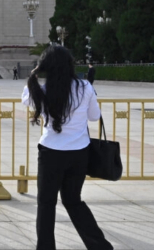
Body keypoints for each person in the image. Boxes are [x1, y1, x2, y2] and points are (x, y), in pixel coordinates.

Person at [22, 45, 113, 250]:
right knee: (73, 201)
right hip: (79, 153)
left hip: (50, 153)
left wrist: (34, 74)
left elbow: (26, 98)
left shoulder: (43, 90)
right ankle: (100, 246)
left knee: (46, 204)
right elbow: (94, 116)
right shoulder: (85, 87)